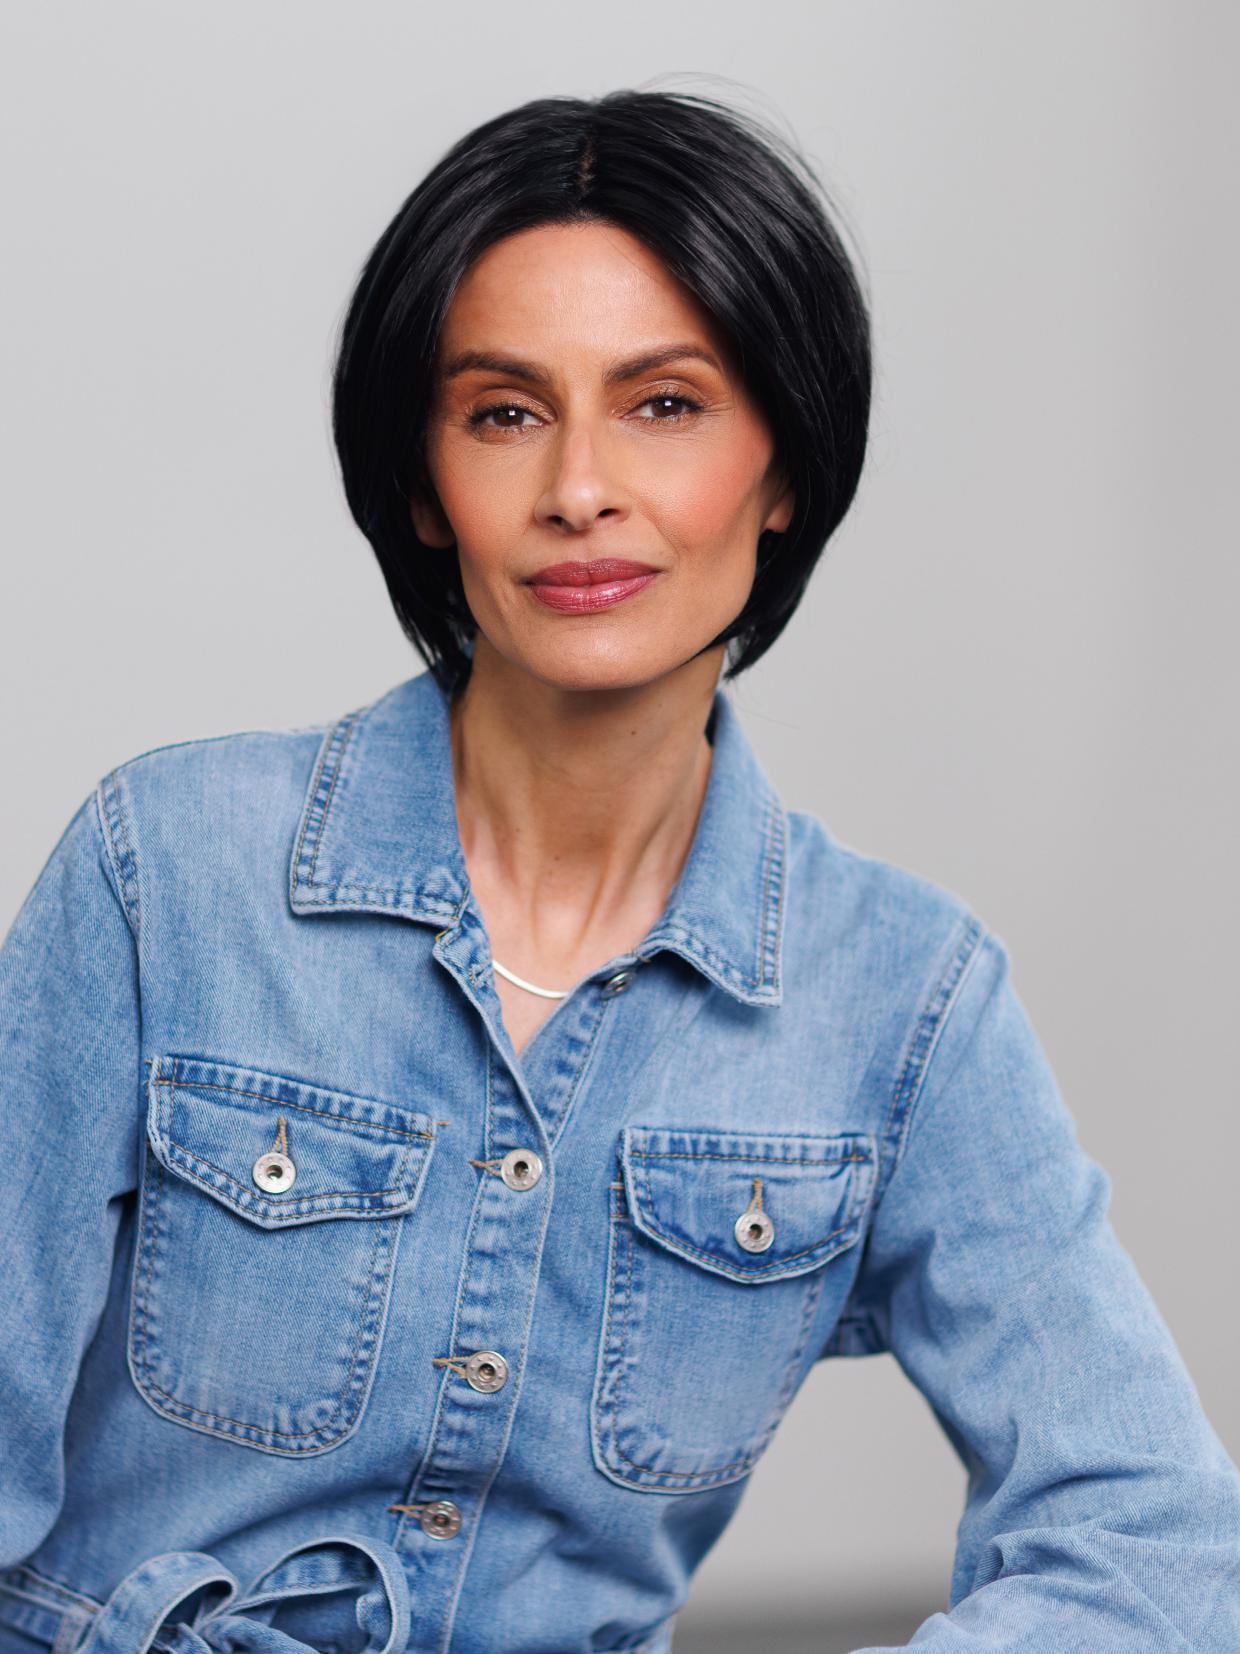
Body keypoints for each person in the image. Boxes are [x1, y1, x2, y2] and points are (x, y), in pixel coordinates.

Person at [0, 86, 1236, 1654]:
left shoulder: (902, 1004)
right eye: (504, 412)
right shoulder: (167, 874)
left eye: (664, 403)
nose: (579, 486)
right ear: (421, 484)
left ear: (784, 466)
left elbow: (1155, 1538)